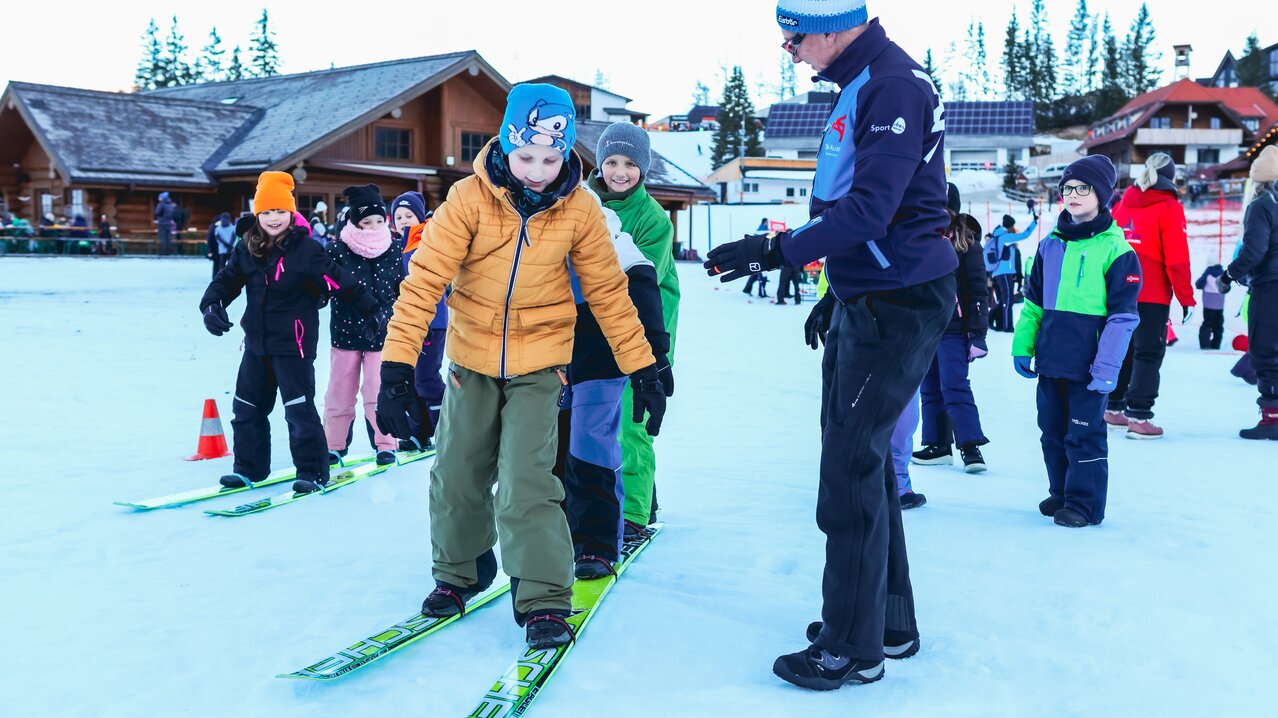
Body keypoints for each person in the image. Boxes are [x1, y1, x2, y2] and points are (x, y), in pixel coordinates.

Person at [707, 2, 956, 690]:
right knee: (864, 464)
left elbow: (873, 209)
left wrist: (773, 250)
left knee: (848, 472)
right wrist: (835, 289)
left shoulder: (893, 85)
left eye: (796, 35)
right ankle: (886, 622)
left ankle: (851, 646)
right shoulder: (859, 81)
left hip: (899, 298)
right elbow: (860, 205)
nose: (788, 48)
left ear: (838, 25)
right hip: (869, 293)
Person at [373, 83, 667, 651]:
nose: (536, 170)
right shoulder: (467, 199)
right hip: (470, 361)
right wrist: (396, 367)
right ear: (506, 144)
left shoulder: (580, 208)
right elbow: (423, 284)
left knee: (529, 482)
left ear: (567, 155)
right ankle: (461, 573)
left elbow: (608, 292)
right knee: (457, 473)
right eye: (526, 156)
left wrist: (645, 367)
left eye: (551, 159)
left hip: (542, 365)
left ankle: (543, 598)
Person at [199, 171, 379, 494]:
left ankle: (312, 471)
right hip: (256, 343)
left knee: (298, 410)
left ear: (291, 213)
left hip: (293, 345)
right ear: (257, 213)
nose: (273, 218)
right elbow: (227, 280)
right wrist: (212, 305)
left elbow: (339, 281)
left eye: (280, 211)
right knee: (246, 407)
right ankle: (248, 468)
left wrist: (371, 309)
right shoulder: (247, 248)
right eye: (267, 212)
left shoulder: (306, 250)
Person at [1011, 155, 1142, 528]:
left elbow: (1122, 318)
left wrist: (1107, 367)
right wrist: (1023, 345)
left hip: (1090, 365)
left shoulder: (1118, 250)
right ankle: (1062, 494)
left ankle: (1085, 505)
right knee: (1052, 433)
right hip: (1052, 359)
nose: (1073, 194)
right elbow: (1034, 302)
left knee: (1083, 436)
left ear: (1102, 195)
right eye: (1067, 188)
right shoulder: (1050, 245)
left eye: (1083, 188)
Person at [555, 189, 671, 578]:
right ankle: (558, 534)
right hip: (549, 351)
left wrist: (656, 357)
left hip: (601, 351)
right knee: (550, 445)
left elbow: (644, 283)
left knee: (590, 442)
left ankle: (596, 543)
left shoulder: (608, 231)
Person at [587, 122, 682, 534]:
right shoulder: (582, 204)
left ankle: (635, 515)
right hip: (593, 326)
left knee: (631, 423)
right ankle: (633, 499)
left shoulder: (653, 218)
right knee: (593, 422)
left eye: (629, 163)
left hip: (645, 330)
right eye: (611, 162)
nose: (619, 171)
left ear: (642, 168)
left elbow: (641, 278)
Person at [1104, 154, 1196, 439]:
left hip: (1119, 291)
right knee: (1148, 352)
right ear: (1171, 177)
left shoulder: (1120, 206)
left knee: (1123, 350)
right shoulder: (1169, 207)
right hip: (1152, 293)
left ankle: (1113, 408)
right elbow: (1177, 259)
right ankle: (1139, 416)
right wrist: (1186, 298)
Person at [321, 185, 405, 467]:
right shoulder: (338, 250)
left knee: (377, 389)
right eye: (366, 223)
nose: (373, 228)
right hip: (345, 332)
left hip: (384, 333)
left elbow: (403, 288)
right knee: (339, 391)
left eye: (379, 221)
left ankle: (385, 443)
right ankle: (333, 445)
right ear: (353, 222)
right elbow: (328, 286)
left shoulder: (394, 248)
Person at [912, 183, 990, 471]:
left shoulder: (967, 243)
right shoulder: (919, 237)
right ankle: (937, 445)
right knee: (928, 388)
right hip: (924, 328)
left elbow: (979, 291)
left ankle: (970, 446)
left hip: (954, 329)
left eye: (942, 206)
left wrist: (978, 334)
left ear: (953, 210)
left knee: (954, 386)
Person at [1218, 145, 1278, 440]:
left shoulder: (1261, 205)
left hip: (1270, 288)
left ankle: (1272, 419)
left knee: (1266, 351)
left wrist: (1229, 275)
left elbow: (1254, 251)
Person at [391, 190, 445, 452]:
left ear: (420, 217)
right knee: (410, 379)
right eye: (398, 216)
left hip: (432, 321)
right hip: (408, 322)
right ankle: (418, 433)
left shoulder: (428, 239)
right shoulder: (398, 245)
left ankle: (448, 429)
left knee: (426, 378)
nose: (403, 220)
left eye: (409, 215)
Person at [985, 205, 1038, 332]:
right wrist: (1034, 222)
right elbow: (1024, 235)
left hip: (999, 272)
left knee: (1005, 299)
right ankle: (1007, 326)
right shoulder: (1005, 237)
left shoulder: (997, 234)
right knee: (1007, 300)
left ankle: (997, 321)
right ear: (1010, 226)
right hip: (1003, 272)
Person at [1195, 264, 1226, 349]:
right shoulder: (1223, 273)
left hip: (1208, 303)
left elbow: (1198, 284)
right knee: (1219, 325)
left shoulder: (1208, 272)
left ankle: (1205, 345)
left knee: (1207, 323)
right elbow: (1227, 287)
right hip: (1219, 304)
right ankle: (1216, 345)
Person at [207, 213, 236, 278]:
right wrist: (230, 245)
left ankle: (218, 277)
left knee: (220, 265)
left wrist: (211, 250)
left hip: (220, 249)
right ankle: (229, 277)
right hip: (229, 249)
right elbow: (234, 237)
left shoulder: (216, 228)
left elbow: (216, 238)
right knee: (231, 264)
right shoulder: (232, 227)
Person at [154, 192, 176, 256]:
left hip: (162, 223)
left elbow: (157, 212)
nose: (159, 198)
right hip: (169, 223)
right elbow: (173, 214)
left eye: (159, 197)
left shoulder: (161, 204)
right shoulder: (171, 205)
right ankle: (168, 252)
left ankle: (163, 252)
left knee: (162, 238)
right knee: (168, 238)